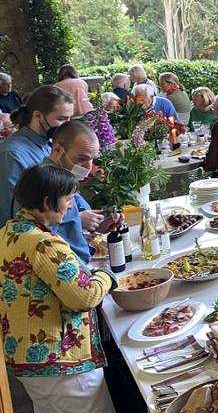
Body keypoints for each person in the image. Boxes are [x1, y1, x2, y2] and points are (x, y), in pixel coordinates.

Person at [1, 165, 117, 413]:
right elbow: (85, 296)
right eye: (68, 199)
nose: (71, 206)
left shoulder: (7, 233)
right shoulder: (44, 243)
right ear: (46, 202)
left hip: (24, 358)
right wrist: (107, 275)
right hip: (60, 361)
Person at [0, 86, 74, 225]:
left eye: (70, 119)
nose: (67, 126)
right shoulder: (11, 154)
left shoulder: (49, 143)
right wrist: (77, 218)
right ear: (38, 116)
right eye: (62, 119)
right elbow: (17, 213)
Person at [46, 121, 119, 262]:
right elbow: (43, 235)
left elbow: (72, 234)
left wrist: (99, 225)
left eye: (92, 159)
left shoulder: (66, 176)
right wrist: (77, 220)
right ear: (57, 150)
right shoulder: (44, 182)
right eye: (82, 159)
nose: (88, 166)